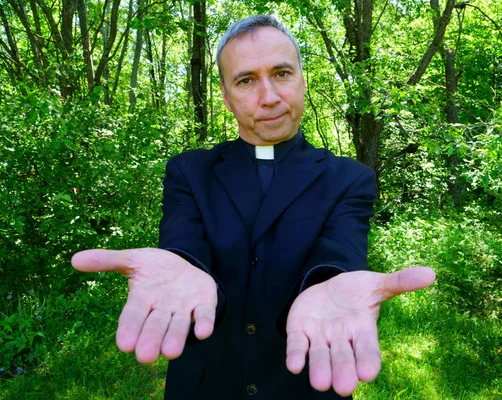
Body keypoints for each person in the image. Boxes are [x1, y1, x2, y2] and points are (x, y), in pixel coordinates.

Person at [72, 15, 436, 399]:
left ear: (302, 80)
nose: (269, 96)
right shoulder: (189, 171)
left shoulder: (349, 177)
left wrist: (328, 286)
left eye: (281, 74)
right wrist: (184, 269)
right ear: (226, 96)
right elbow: (184, 243)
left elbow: (338, 255)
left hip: (303, 382)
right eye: (246, 80)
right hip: (206, 384)